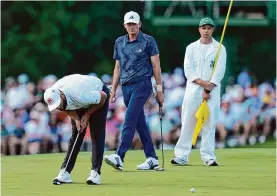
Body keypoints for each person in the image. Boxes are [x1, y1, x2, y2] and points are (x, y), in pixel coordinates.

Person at [104, 11, 164, 171]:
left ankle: (119, 155)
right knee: (139, 123)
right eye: (129, 24)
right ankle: (152, 158)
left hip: (142, 84)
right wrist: (114, 89)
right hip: (126, 86)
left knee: (129, 118)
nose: (131, 27)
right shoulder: (119, 42)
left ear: (139, 24)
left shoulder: (148, 41)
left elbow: (156, 66)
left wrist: (159, 89)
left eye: (134, 24)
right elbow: (117, 68)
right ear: (124, 25)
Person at [171, 17, 226, 166]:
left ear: (212, 29)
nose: (206, 31)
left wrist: (209, 88)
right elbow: (188, 70)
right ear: (199, 29)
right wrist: (202, 84)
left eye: (209, 28)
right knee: (188, 120)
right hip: (193, 89)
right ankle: (182, 155)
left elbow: (219, 71)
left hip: (212, 91)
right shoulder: (191, 48)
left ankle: (208, 156)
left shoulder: (220, 48)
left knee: (209, 122)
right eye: (204, 28)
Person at [43, 74, 109, 185]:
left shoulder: (80, 95)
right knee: (77, 133)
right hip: (80, 98)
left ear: (62, 96)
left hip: (98, 93)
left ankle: (95, 173)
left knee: (96, 133)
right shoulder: (54, 94)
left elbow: (103, 96)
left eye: (58, 104)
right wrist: (77, 119)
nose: (58, 107)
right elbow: (64, 107)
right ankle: (65, 172)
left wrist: (87, 114)